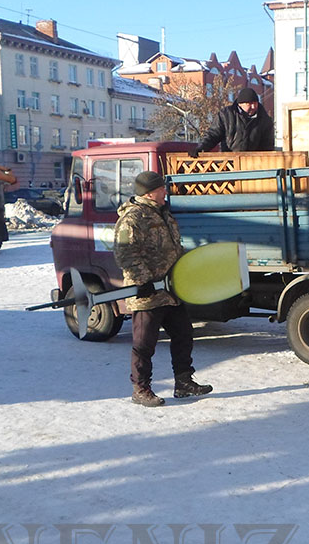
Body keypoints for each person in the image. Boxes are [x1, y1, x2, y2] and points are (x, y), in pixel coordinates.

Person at [113, 171, 213, 407]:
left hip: (171, 289)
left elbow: (174, 248)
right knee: (144, 344)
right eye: (161, 188)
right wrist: (143, 281)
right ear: (149, 192)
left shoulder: (164, 213)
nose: (165, 191)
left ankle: (184, 382)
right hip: (147, 292)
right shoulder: (133, 218)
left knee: (183, 335)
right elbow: (125, 253)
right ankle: (141, 389)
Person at [191, 87, 274, 154]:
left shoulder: (264, 119)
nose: (253, 107)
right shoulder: (226, 115)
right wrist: (201, 148)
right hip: (228, 162)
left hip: (253, 164)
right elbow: (213, 134)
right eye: (249, 104)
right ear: (240, 104)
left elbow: (267, 145)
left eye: (255, 103)